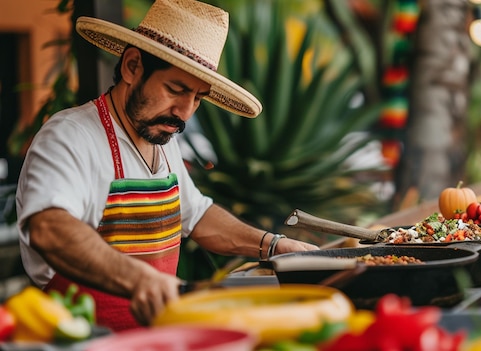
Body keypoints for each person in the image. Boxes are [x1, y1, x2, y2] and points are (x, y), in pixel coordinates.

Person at [16, 0, 318, 332]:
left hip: (159, 336)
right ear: (132, 66)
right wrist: (136, 277)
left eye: (198, 97)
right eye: (176, 89)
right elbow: (50, 227)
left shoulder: (161, 137)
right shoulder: (70, 137)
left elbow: (197, 215)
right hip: (86, 338)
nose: (185, 112)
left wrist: (273, 244)